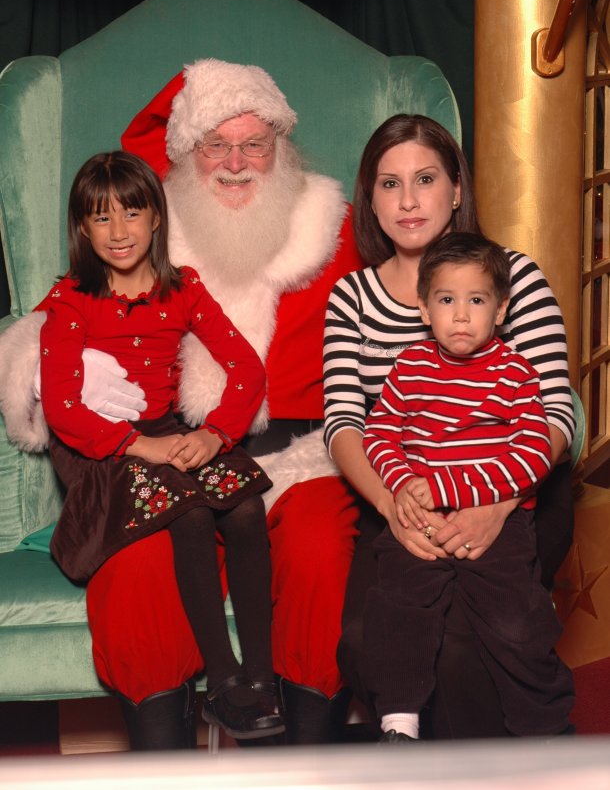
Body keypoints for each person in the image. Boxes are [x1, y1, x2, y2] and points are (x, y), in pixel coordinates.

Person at [0, 59, 363, 748]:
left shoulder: (333, 227)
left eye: (254, 143)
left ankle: (304, 755)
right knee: (135, 568)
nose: (234, 162)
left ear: (282, 148)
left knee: (318, 550)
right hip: (171, 447)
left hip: (304, 453)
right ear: (185, 154)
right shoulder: (160, 230)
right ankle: (162, 759)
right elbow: (88, 263)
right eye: (213, 143)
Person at [323, 114, 575, 738]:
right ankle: (403, 747)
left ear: (457, 189)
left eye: (426, 179)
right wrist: (397, 505)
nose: (408, 201)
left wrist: (496, 505)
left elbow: (557, 416)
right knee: (368, 636)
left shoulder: (512, 276)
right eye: (389, 184)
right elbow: (347, 423)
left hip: (515, 494)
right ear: (369, 200)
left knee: (467, 644)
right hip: (403, 493)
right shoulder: (352, 296)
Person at [39, 150, 284, 744]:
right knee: (192, 512)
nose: (119, 231)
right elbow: (61, 408)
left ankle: (261, 677)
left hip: (172, 431)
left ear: (155, 218)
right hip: (103, 445)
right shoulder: (71, 301)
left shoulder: (183, 289)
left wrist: (215, 432)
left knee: (247, 508)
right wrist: (135, 447)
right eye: (101, 218)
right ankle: (222, 683)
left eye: (132, 213)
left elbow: (247, 371)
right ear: (82, 228)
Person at [361, 232, 574, 741]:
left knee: (515, 623)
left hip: (499, 525)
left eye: (476, 301)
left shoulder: (516, 375)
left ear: (500, 310)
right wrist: (405, 482)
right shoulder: (409, 368)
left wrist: (447, 486)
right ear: (423, 307)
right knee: (400, 606)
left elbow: (528, 457)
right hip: (421, 516)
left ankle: (543, 731)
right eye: (446, 300)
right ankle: (399, 722)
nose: (461, 316)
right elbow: (379, 432)